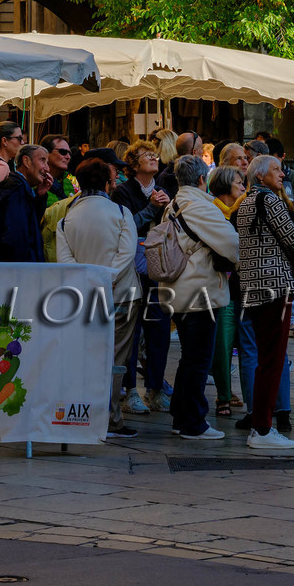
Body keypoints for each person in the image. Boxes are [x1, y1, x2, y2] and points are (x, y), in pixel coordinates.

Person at [236, 152, 294, 451]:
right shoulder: (269, 200)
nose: (282, 174)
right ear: (260, 175)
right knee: (273, 359)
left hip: (253, 287)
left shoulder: (245, 202)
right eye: (276, 169)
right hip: (273, 287)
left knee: (265, 359)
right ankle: (262, 429)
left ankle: (260, 423)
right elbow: (292, 236)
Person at [58, 155, 141, 439]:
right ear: (107, 183)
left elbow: (65, 261)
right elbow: (127, 253)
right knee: (116, 356)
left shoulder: (67, 218)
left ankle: (85, 415)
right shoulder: (121, 212)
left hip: (84, 296)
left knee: (88, 354)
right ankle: (111, 418)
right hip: (122, 294)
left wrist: (91, 280)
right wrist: (108, 277)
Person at [161, 155, 241, 442]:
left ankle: (181, 416)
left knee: (190, 357)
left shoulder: (175, 204)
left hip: (180, 290)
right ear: (201, 179)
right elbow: (231, 243)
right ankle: (193, 423)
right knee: (198, 359)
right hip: (199, 293)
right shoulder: (200, 206)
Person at [115, 141, 171, 412]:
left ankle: (155, 388)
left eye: (154, 154)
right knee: (132, 331)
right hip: (132, 270)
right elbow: (125, 227)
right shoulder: (123, 192)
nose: (153, 157)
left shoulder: (164, 191)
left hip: (159, 268)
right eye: (145, 155)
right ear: (133, 164)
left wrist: (168, 211)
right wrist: (151, 208)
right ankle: (129, 391)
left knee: (159, 328)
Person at [207, 164, 246, 416]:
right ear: (224, 186)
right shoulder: (211, 212)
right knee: (222, 344)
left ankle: (251, 395)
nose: (243, 187)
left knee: (248, 346)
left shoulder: (246, 209)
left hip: (247, 287)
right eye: (238, 183)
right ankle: (223, 396)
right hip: (222, 287)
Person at [0, 143, 50, 262]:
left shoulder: (21, 188)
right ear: (26, 161)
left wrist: (40, 197)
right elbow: (16, 237)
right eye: (43, 160)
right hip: (17, 268)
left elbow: (30, 226)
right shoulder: (17, 188)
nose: (47, 169)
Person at [43, 134, 77, 202]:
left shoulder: (70, 180)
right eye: (63, 152)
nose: (68, 157)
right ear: (46, 153)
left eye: (70, 153)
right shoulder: (35, 180)